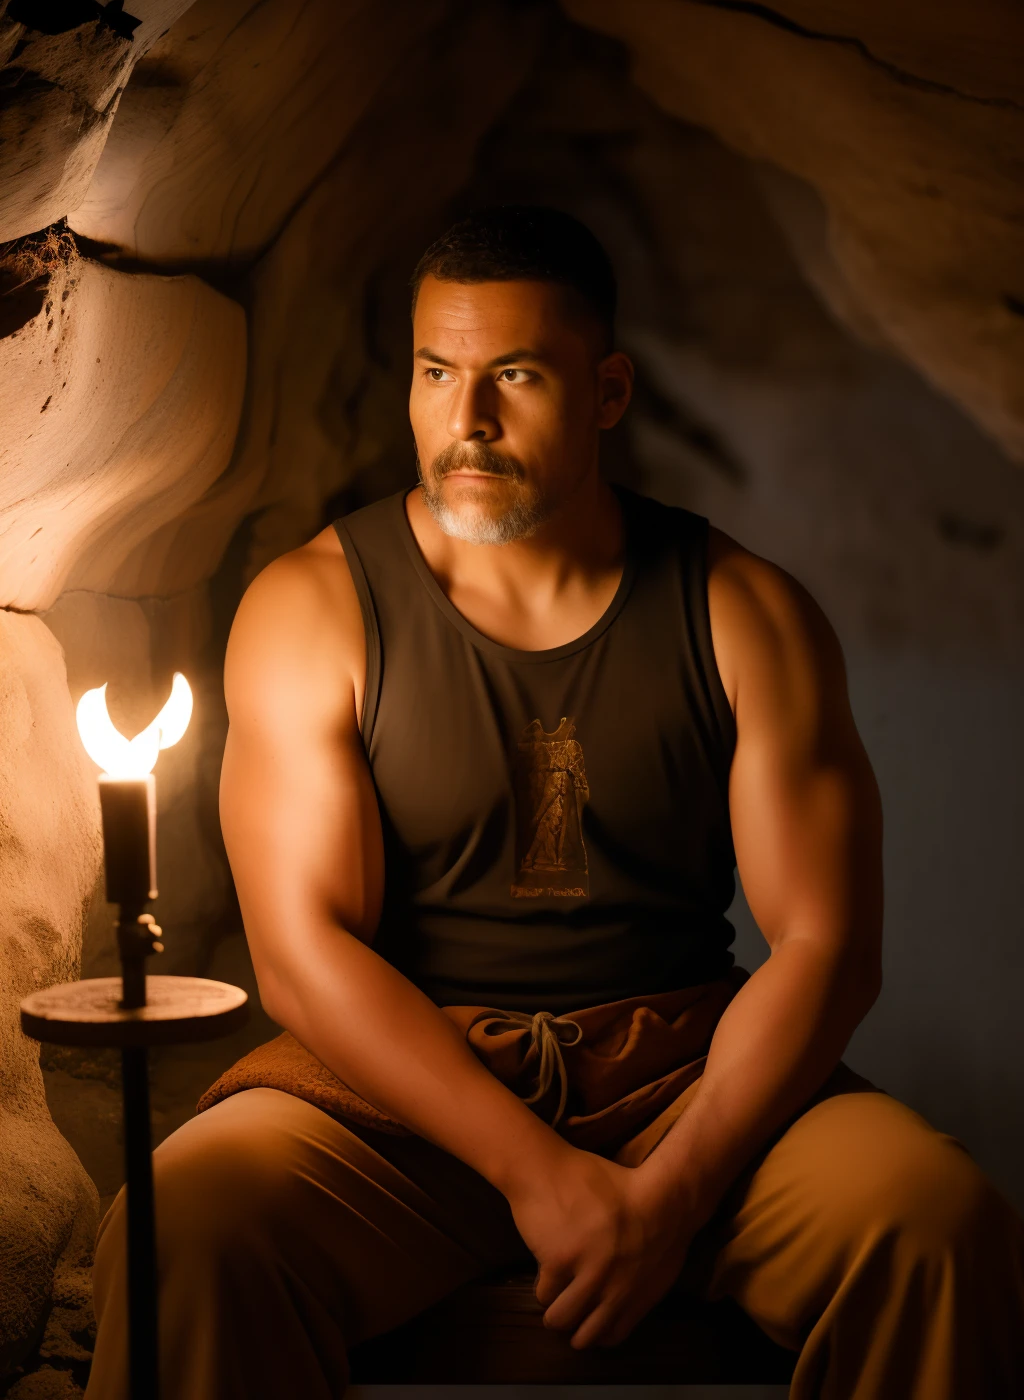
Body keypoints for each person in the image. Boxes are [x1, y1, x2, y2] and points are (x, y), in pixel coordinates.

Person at [86, 206, 1024, 1399]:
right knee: (183, 1231)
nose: (464, 423)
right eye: (436, 373)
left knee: (937, 1227)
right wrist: (536, 1171)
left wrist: (672, 1195)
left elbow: (827, 945)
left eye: (514, 376)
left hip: (683, 1076)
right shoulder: (314, 607)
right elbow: (304, 951)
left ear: (609, 391)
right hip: (400, 1101)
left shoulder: (744, 612)